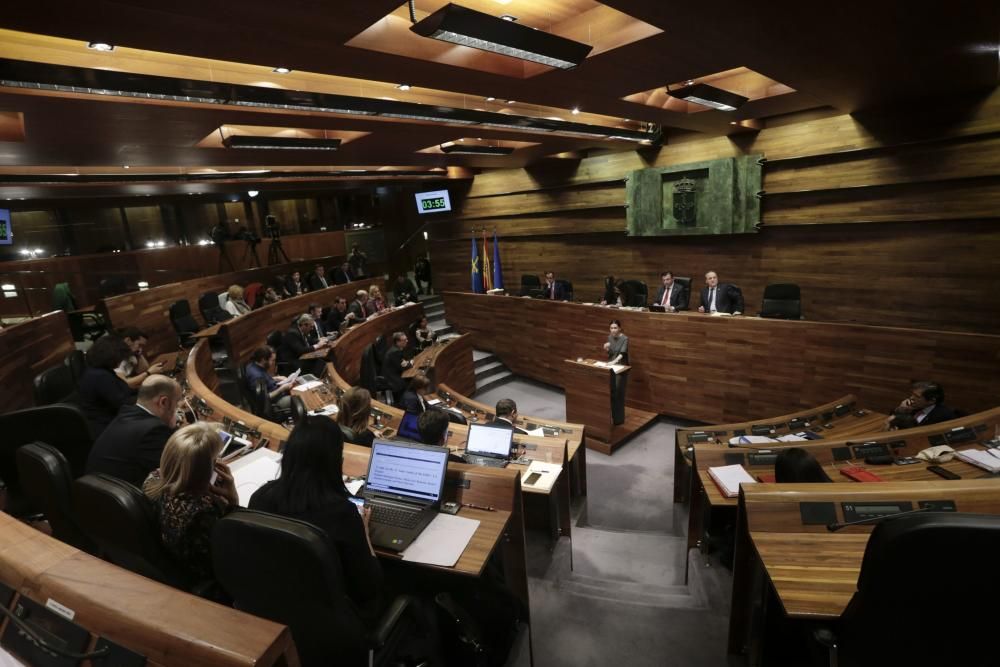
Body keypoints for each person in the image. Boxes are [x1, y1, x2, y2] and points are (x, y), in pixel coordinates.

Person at [249, 417, 382, 615]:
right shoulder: (342, 514)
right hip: (328, 627)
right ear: (337, 462)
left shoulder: (260, 498)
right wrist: (364, 533)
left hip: (271, 614)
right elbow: (370, 587)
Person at [143, 423, 238, 581]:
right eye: (215, 461)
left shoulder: (152, 480)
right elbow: (229, 553)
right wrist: (232, 501)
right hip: (198, 580)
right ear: (207, 470)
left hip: (166, 564)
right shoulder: (203, 513)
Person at [86, 375, 182, 487]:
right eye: (177, 402)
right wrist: (177, 430)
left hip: (97, 492)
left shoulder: (127, 413)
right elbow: (178, 472)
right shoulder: (154, 431)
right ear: (163, 402)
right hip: (121, 498)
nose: (178, 407)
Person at [78, 334, 136, 437]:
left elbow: (125, 391)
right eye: (120, 357)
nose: (121, 361)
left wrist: (148, 390)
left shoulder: (101, 371)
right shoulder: (99, 376)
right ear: (111, 356)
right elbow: (123, 404)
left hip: (116, 421)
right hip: (109, 429)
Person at [245, 346, 293, 410]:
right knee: (299, 399)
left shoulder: (253, 365)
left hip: (276, 391)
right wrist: (282, 389)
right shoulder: (257, 377)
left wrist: (277, 378)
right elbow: (264, 399)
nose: (273, 363)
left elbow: (265, 380)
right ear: (263, 360)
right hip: (275, 403)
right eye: (272, 360)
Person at [603, 319, 629, 425]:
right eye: (611, 328)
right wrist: (606, 349)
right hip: (611, 366)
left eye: (615, 328)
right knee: (612, 392)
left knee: (618, 393)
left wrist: (613, 361)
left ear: (619, 328)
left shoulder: (625, 338)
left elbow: (622, 354)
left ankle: (619, 419)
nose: (613, 330)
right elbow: (611, 353)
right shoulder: (609, 337)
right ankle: (613, 416)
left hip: (621, 367)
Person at [382, 331, 412, 402]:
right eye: (404, 340)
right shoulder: (395, 352)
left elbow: (404, 361)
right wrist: (410, 363)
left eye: (406, 339)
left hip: (395, 373)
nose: (407, 341)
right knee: (411, 382)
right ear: (398, 342)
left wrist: (406, 363)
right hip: (393, 379)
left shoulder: (396, 349)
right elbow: (403, 366)